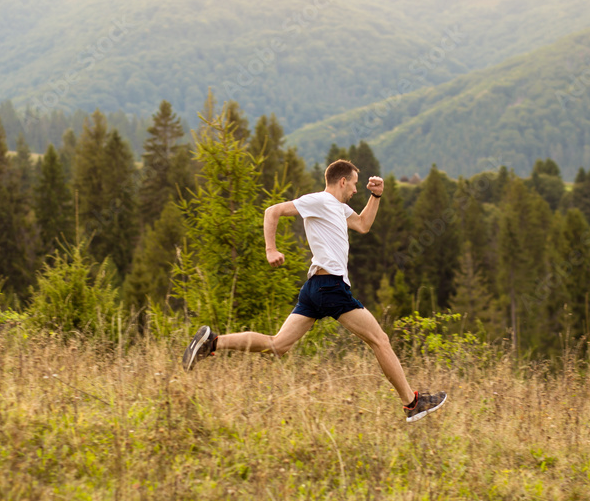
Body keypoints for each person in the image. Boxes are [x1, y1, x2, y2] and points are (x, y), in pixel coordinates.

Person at [183, 159, 447, 422]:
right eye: (354, 184)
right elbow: (272, 211)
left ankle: (212, 342)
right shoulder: (319, 200)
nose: (356, 190)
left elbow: (363, 225)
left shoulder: (339, 208)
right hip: (330, 286)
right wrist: (270, 250)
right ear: (342, 181)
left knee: (278, 345)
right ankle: (412, 404)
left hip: (315, 288)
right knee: (380, 340)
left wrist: (375, 196)